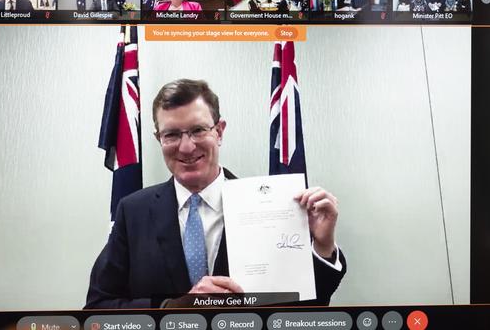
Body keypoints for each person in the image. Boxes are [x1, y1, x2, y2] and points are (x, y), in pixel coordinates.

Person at [85, 79, 346, 309]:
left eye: (198, 130)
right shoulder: (132, 212)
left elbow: (306, 306)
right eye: (172, 134)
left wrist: (322, 246)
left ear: (219, 131)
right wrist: (170, 308)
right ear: (159, 139)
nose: (186, 147)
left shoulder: (268, 207)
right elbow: (98, 307)